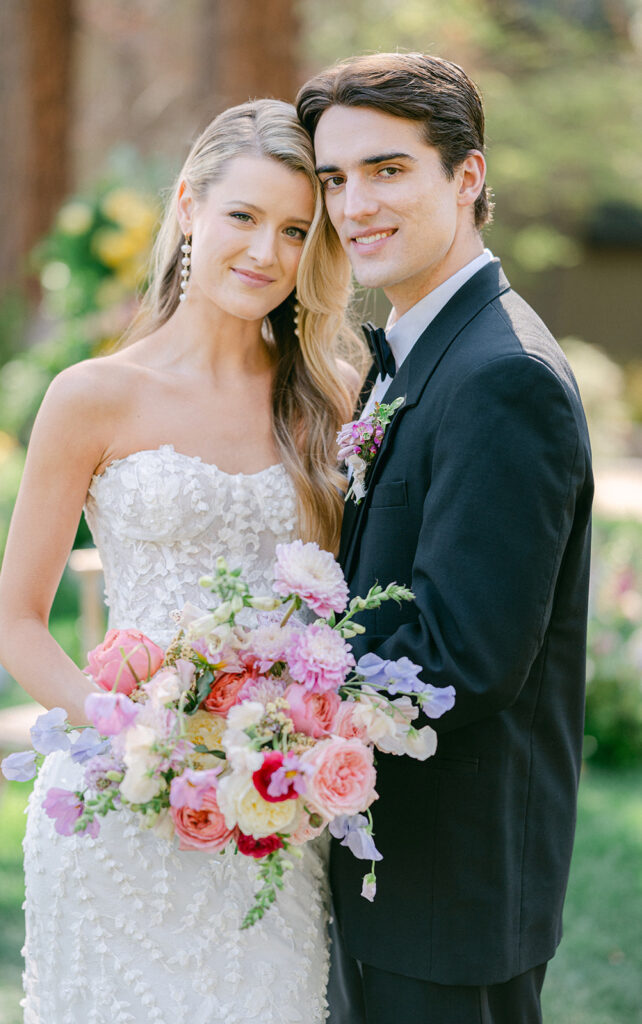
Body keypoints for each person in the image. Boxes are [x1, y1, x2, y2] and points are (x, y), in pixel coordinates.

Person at [0, 98, 363, 1023]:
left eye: (294, 230)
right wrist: (135, 737)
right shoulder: (94, 396)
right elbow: (17, 625)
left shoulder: (331, 400)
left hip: (269, 814)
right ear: (191, 207)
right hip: (119, 807)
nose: (266, 254)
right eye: (244, 216)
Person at [296, 53, 594, 1024]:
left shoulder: (500, 374)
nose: (353, 206)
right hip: (392, 872)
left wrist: (266, 707)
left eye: (387, 170)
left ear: (466, 178)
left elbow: (462, 657)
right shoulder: (425, 350)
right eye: (334, 179)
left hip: (447, 891)